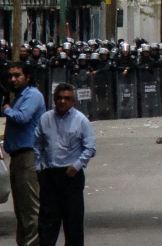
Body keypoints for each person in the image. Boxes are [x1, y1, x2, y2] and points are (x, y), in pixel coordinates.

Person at [34, 83, 96, 246]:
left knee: (73, 222)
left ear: (73, 101)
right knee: (47, 221)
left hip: (71, 176)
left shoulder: (81, 120)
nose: (62, 102)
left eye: (67, 98)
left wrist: (77, 165)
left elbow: (90, 148)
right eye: (59, 98)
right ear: (54, 100)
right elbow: (37, 144)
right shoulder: (45, 119)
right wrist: (39, 166)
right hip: (50, 175)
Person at [3, 62, 46, 246]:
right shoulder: (19, 97)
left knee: (30, 210)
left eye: (17, 75)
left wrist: (7, 110)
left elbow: (23, 117)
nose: (13, 79)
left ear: (27, 77)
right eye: (11, 76)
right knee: (21, 210)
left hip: (28, 156)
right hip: (17, 157)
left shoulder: (32, 95)